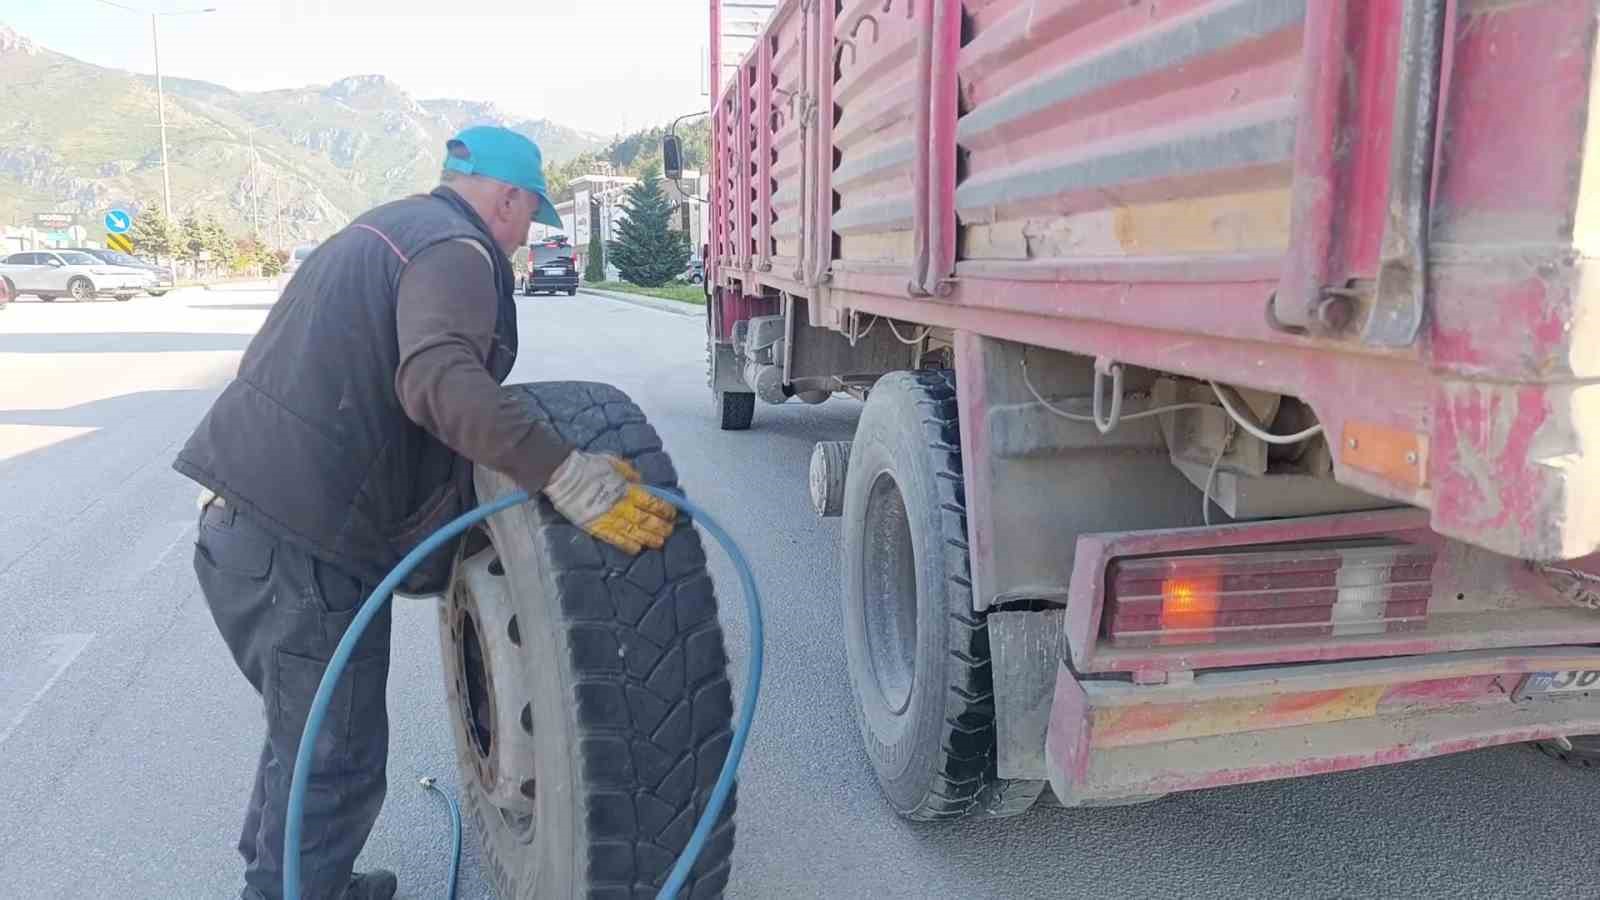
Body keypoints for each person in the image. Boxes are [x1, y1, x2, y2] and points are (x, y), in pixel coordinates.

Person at [173, 126, 677, 900]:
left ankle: (300, 880)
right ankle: (290, 891)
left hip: (245, 530)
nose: (523, 240)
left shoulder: (391, 227)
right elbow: (438, 380)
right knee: (336, 752)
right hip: (294, 547)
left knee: (305, 731)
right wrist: (563, 474)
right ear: (506, 199)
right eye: (528, 218)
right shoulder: (457, 250)